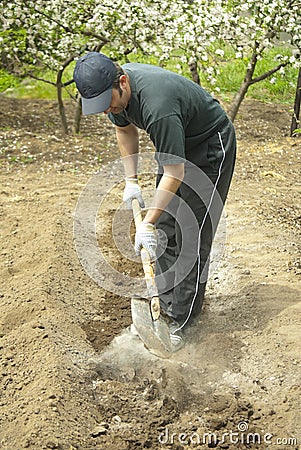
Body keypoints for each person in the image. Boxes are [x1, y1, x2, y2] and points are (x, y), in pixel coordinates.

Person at [73, 51, 236, 351]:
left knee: (191, 232)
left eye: (107, 102)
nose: (106, 109)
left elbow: (174, 172)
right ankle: (165, 301)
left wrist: (145, 222)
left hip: (210, 145)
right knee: (165, 226)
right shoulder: (115, 94)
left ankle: (182, 324)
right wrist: (131, 181)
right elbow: (124, 129)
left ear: (122, 82)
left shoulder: (157, 106)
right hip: (175, 144)